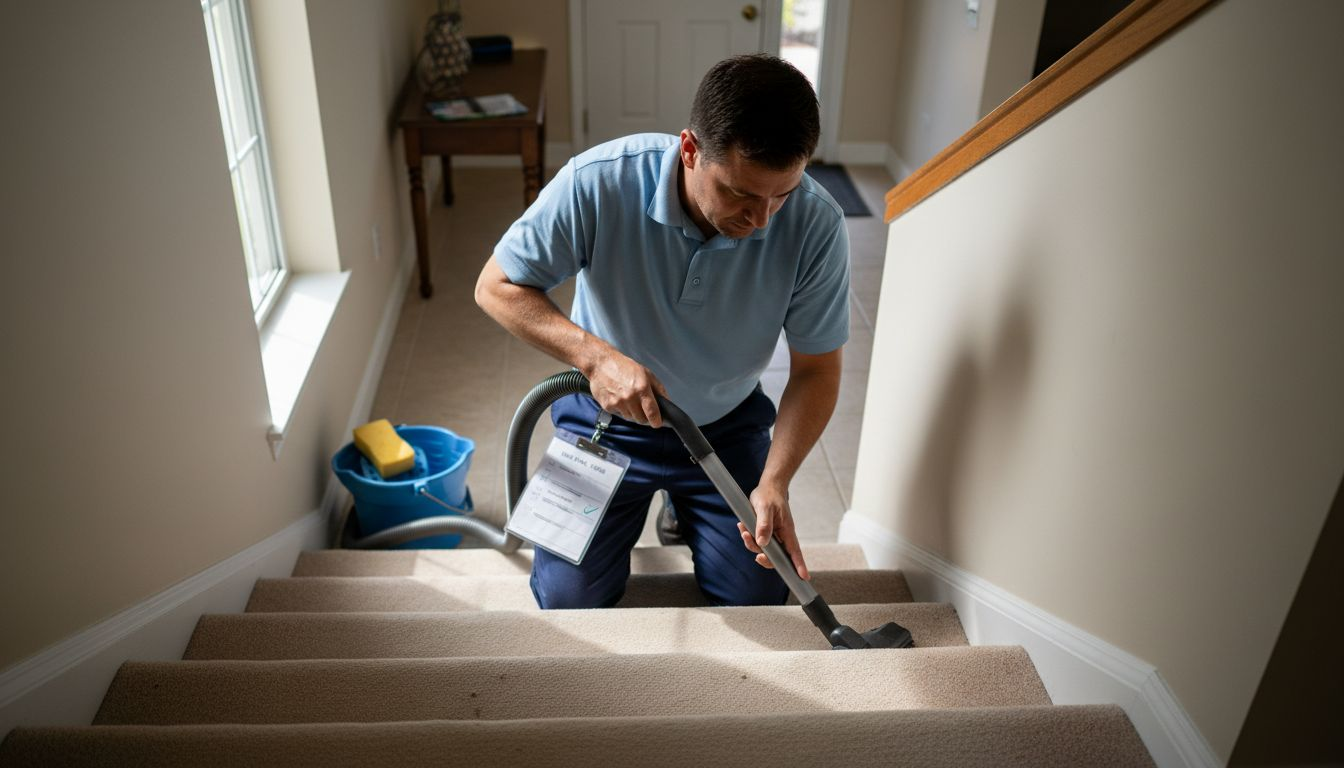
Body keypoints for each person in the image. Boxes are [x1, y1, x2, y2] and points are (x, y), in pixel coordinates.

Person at [475, 54, 849, 609]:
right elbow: (495, 286)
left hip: (724, 430)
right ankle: (669, 500)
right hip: (606, 420)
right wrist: (595, 357)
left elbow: (817, 371)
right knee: (567, 601)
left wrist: (775, 481)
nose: (763, 220)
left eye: (782, 194)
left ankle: (684, 502)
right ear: (691, 150)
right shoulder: (596, 182)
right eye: (742, 195)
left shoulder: (817, 224)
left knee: (757, 595)